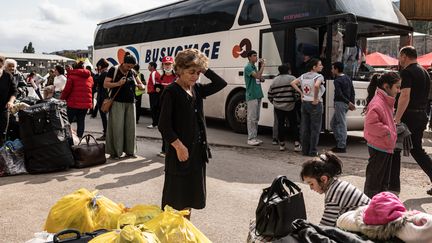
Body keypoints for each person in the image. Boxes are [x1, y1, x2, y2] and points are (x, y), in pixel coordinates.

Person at [158, 48, 227, 219]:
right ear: (179, 70)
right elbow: (164, 125)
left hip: (197, 153)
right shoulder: (171, 92)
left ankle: (185, 229)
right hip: (180, 154)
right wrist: (179, 146)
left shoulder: (197, 89)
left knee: (189, 196)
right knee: (175, 200)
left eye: (198, 73)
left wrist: (204, 67)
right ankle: (171, 233)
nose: (195, 76)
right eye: (191, 72)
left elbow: (221, 83)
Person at [394, 46, 432, 196]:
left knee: (394, 148)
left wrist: (397, 118)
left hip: (409, 116)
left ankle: (389, 185)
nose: (399, 59)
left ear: (404, 56)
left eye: (399, 56)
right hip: (422, 115)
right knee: (416, 149)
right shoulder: (424, 72)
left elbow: (405, 96)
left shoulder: (407, 72)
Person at [300, 151, 370, 227]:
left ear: (324, 179)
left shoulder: (333, 195)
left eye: (311, 184)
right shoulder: (337, 185)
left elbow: (325, 226)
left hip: (368, 226)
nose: (311, 188)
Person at [363, 72, 401, 198]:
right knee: (374, 183)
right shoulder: (378, 102)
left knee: (382, 183)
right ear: (386, 86)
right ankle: (369, 209)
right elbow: (371, 124)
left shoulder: (385, 100)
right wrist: (388, 131)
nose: (399, 90)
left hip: (384, 145)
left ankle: (379, 209)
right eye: (397, 87)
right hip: (380, 145)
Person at [104, 54, 145, 159]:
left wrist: (141, 86)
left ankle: (130, 151)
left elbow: (141, 86)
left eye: (131, 66)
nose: (129, 68)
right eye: (128, 66)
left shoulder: (132, 72)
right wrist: (118, 83)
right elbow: (106, 84)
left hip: (131, 102)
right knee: (117, 128)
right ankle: (116, 153)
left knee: (131, 128)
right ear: (123, 63)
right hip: (117, 102)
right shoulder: (114, 69)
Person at [291, 58, 325, 156]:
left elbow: (292, 83)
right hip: (315, 104)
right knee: (315, 128)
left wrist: (301, 93)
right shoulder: (319, 76)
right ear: (314, 67)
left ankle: (305, 150)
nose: (322, 66)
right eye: (320, 65)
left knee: (305, 127)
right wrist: (315, 98)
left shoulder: (303, 76)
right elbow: (317, 86)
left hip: (305, 102)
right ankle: (313, 151)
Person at [267, 64, 301, 152]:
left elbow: (270, 95)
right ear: (288, 70)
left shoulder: (274, 80)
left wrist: (275, 103)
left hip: (278, 107)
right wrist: (295, 100)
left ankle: (281, 144)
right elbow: (298, 91)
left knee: (280, 125)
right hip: (290, 106)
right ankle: (297, 144)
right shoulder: (292, 78)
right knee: (293, 125)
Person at [60, 61, 93, 138]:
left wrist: (62, 99)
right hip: (85, 104)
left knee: (68, 121)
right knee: (81, 121)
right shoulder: (90, 77)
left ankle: (66, 138)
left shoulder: (72, 77)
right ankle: (79, 139)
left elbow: (67, 90)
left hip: (73, 103)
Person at [330, 62, 356, 153]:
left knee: (340, 124)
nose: (332, 70)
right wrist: (351, 102)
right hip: (345, 104)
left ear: (336, 69)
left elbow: (339, 94)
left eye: (333, 68)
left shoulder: (337, 80)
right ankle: (340, 142)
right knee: (334, 123)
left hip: (340, 103)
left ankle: (341, 145)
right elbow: (352, 91)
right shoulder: (348, 78)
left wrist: (348, 103)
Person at [244, 50, 265, 146]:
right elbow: (257, 76)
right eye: (254, 56)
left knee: (256, 117)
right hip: (252, 94)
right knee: (251, 118)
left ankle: (254, 137)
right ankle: (251, 138)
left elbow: (258, 78)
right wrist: (263, 66)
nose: (256, 57)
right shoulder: (248, 67)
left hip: (258, 94)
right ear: (249, 57)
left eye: (256, 56)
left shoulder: (254, 67)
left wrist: (261, 78)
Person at [157, 56, 176, 157]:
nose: (167, 66)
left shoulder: (177, 77)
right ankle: (164, 149)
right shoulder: (161, 77)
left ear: (173, 65)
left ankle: (172, 149)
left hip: (175, 108)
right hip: (164, 107)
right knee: (164, 128)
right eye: (165, 64)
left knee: (174, 129)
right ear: (163, 65)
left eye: (169, 64)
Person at [0, 56, 18, 146]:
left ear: (3, 65)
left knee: (2, 133)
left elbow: (14, 91)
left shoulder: (8, 76)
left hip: (4, 109)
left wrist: (11, 101)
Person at [94, 58, 109, 141]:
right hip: (105, 97)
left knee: (104, 117)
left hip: (102, 97)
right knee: (105, 116)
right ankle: (107, 133)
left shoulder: (103, 74)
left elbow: (96, 80)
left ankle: (106, 133)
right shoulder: (108, 72)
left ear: (100, 66)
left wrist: (96, 73)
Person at [146, 61, 161, 129]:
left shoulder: (153, 73)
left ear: (152, 67)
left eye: (149, 66)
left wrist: (155, 91)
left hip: (153, 93)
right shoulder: (156, 73)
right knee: (156, 108)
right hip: (155, 93)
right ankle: (157, 123)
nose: (148, 67)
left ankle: (154, 124)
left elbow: (156, 84)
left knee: (153, 108)